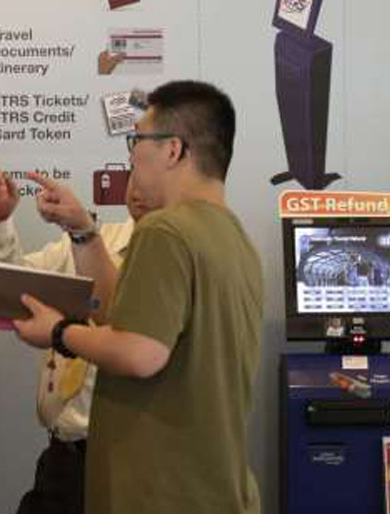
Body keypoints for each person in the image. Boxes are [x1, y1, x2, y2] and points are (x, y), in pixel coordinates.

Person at [13, 80, 264, 514]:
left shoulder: (165, 230)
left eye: (138, 141)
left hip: (161, 493)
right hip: (214, 489)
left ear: (172, 150)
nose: (132, 156)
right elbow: (127, 316)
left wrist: (58, 332)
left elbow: (140, 352)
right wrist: (84, 232)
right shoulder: (234, 238)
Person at [0, 147, 152, 514]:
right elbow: (15, 292)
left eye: (150, 172)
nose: (138, 187)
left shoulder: (190, 259)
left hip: (138, 463)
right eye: (134, 172)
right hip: (65, 459)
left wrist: (62, 332)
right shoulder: (90, 241)